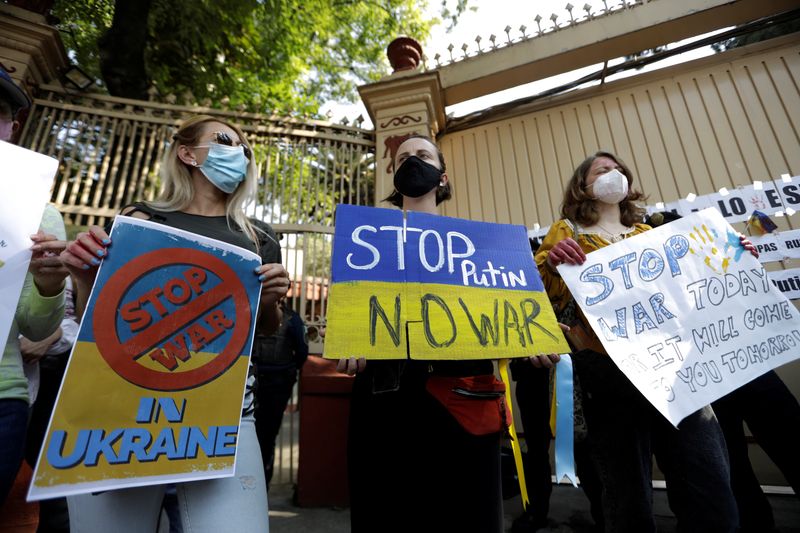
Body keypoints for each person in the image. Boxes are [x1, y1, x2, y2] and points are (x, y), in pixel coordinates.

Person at [61, 115, 289, 532]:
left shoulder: (260, 238)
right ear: (187, 153)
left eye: (244, 148)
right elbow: (101, 312)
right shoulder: (140, 220)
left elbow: (267, 329)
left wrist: (272, 302)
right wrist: (82, 273)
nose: (238, 152)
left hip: (227, 413)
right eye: (224, 140)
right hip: (125, 408)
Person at [336, 134, 560, 533]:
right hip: (385, 402)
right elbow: (353, 313)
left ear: (441, 177)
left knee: (464, 514)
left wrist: (533, 342)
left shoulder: (481, 246)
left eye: (422, 155)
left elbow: (506, 315)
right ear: (395, 177)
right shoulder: (364, 240)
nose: (412, 161)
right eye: (403, 157)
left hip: (462, 399)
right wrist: (349, 343)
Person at [535, 151, 755, 533]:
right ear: (582, 186)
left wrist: (732, 258)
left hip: (676, 365)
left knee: (708, 482)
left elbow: (695, 282)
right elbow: (541, 292)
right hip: (607, 372)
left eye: (618, 169)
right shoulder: (566, 231)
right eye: (602, 170)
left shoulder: (653, 234)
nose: (613, 174)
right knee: (627, 496)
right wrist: (552, 263)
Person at [646, 210, 800, 533]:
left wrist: (744, 260)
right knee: (734, 468)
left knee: (790, 434)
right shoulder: (647, 279)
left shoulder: (713, 256)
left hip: (746, 363)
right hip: (704, 377)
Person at [0, 68, 69, 506]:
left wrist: (47, 285)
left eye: (0, 112)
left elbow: (36, 325)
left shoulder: (39, 213)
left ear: (13, 127)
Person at [509, 240, 604, 533]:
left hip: (570, 374)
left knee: (582, 443)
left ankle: (603, 512)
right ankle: (536, 511)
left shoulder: (565, 276)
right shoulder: (509, 279)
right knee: (536, 448)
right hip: (531, 374)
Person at [253, 298, 308, 488]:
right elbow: (302, 352)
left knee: (264, 437)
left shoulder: (291, 319)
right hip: (269, 383)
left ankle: (261, 485)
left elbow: (302, 352)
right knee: (264, 437)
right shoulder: (292, 319)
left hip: (269, 383)